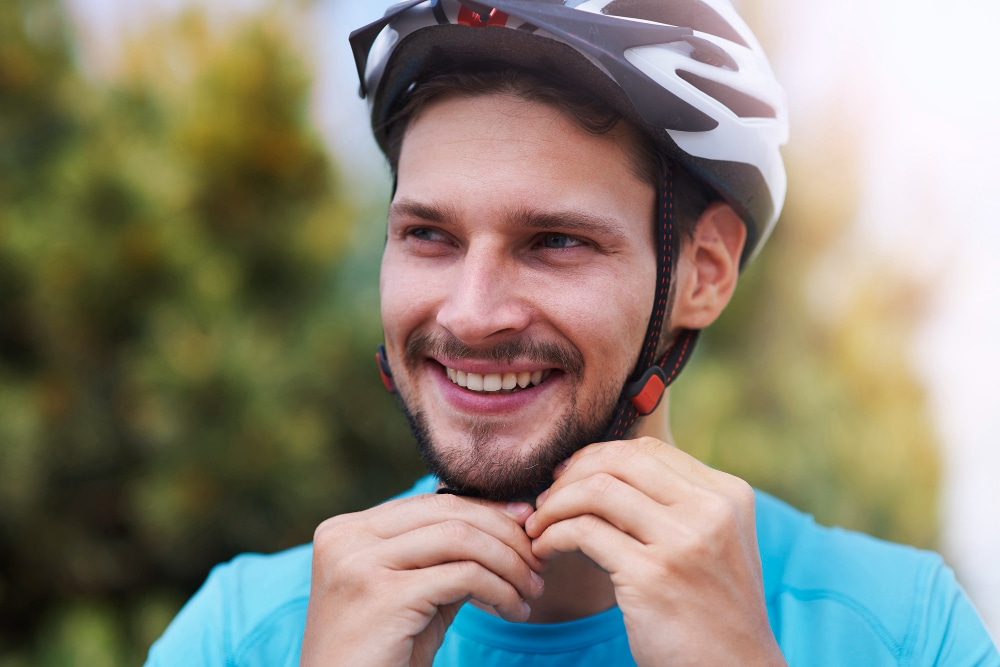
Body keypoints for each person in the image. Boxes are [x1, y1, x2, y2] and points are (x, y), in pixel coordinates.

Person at [145, 1, 1000, 665]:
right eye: (428, 235)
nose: (471, 313)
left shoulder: (899, 626)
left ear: (704, 270)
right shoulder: (240, 633)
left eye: (555, 241)